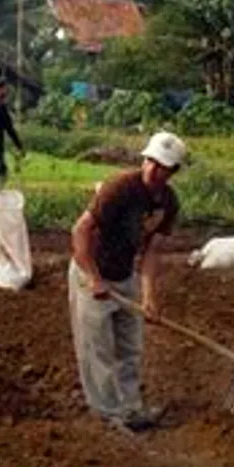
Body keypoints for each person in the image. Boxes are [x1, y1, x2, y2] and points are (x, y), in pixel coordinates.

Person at [69, 130, 186, 433]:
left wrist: (149, 296)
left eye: (163, 166)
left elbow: (151, 252)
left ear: (173, 171)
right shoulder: (119, 187)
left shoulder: (168, 204)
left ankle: (131, 408)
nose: (154, 170)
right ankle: (109, 416)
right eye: (151, 162)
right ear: (145, 159)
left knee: (130, 347)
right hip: (91, 270)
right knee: (99, 349)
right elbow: (80, 231)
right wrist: (94, 279)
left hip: (124, 275)